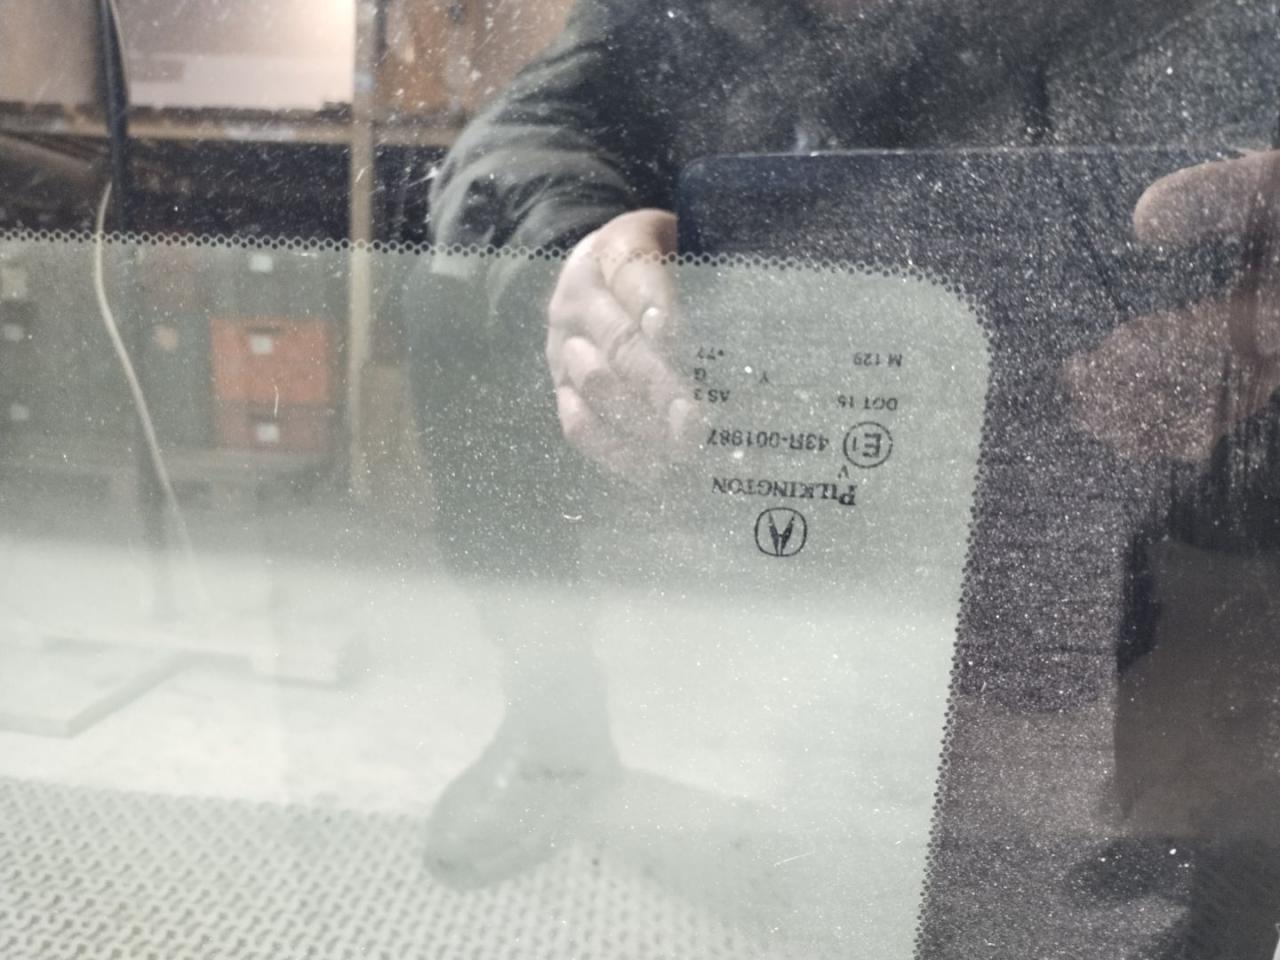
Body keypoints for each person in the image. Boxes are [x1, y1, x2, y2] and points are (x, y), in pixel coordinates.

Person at [415, 0, 1280, 953]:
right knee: (456, 297)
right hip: (811, 441)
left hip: (1183, 520)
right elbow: (535, 126)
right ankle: (553, 719)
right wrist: (574, 253)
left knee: (1164, 868)